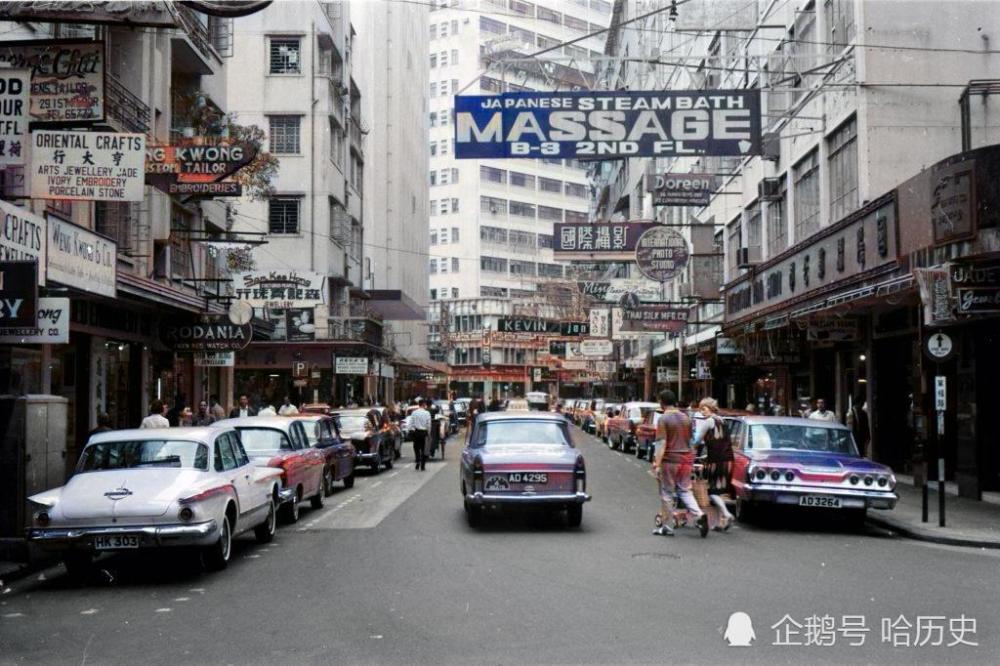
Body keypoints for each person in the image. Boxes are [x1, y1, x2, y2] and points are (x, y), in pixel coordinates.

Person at [652, 389, 707, 538]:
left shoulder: (663, 419)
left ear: (662, 402)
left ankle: (667, 526)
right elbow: (691, 441)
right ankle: (699, 515)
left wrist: (657, 463)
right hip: (686, 460)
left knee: (667, 493)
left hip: (670, 461)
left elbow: (661, 443)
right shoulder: (686, 418)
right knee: (685, 490)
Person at [693, 398, 736, 531]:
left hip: (717, 461)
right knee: (719, 491)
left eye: (704, 408)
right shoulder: (722, 420)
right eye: (700, 409)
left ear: (711, 408)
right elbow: (722, 442)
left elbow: (697, 440)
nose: (702, 412)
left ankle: (727, 514)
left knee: (712, 491)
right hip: (728, 459)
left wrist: (690, 450)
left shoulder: (709, 421)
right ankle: (719, 522)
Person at [410, 399, 431, 471]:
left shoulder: (414, 413)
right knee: (423, 449)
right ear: (424, 404)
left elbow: (411, 423)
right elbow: (428, 424)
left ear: (419, 404)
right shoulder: (427, 413)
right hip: (424, 432)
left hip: (416, 432)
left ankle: (418, 460)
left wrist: (412, 430)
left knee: (416, 447)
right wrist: (428, 432)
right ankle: (423, 465)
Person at [847, 392, 871, 457]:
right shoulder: (849, 413)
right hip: (852, 438)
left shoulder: (863, 413)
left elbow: (866, 426)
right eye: (861, 404)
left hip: (861, 439)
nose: (862, 406)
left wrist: (868, 437)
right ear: (857, 403)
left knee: (861, 455)